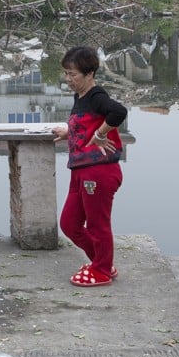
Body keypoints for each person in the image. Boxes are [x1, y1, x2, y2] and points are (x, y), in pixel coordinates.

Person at [51, 46, 128, 287]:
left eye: (72, 74)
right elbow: (86, 123)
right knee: (69, 224)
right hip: (80, 170)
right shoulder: (81, 97)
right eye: (66, 73)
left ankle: (102, 270)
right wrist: (70, 132)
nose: (68, 79)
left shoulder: (96, 96)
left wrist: (101, 133)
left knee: (97, 224)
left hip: (99, 171)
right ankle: (101, 262)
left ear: (89, 74)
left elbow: (118, 112)